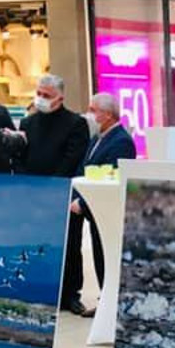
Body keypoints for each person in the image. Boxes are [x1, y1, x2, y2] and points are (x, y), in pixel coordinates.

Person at [60, 92, 138, 319]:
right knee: (98, 254)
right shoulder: (97, 138)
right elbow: (86, 171)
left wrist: (83, 203)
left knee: (107, 255)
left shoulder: (121, 141)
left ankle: (112, 305)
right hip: (94, 210)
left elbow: (112, 176)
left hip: (105, 209)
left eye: (93, 110)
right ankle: (106, 301)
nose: (89, 114)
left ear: (108, 114)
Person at [17, 74, 89, 178]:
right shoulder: (27, 123)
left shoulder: (76, 123)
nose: (41, 98)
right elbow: (20, 156)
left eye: (46, 96)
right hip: (29, 184)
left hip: (60, 184)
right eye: (39, 94)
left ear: (60, 99)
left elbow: (73, 160)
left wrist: (54, 182)